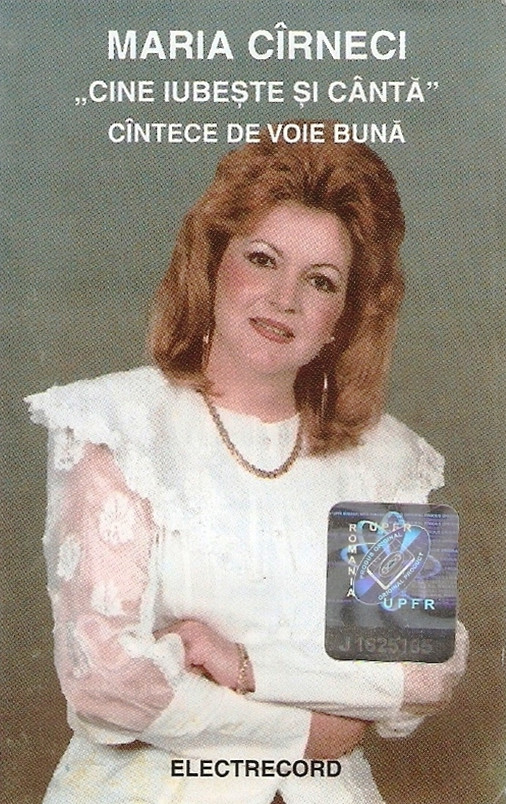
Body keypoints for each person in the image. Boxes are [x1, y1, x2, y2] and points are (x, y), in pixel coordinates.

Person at [26, 122, 468, 804]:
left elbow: (421, 675)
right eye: (263, 259)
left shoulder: (383, 461)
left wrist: (246, 667)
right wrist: (309, 733)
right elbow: (107, 684)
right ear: (212, 262)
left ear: (344, 316)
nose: (285, 299)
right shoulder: (118, 427)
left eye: (320, 281)